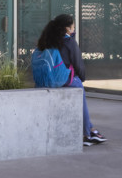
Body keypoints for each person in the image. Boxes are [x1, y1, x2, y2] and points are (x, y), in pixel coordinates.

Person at [34, 14, 105, 146]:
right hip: (64, 80)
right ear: (67, 28)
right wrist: (82, 78)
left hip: (46, 80)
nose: (73, 29)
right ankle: (87, 133)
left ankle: (91, 129)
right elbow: (78, 64)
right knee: (79, 89)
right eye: (72, 26)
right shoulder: (69, 42)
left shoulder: (46, 41)